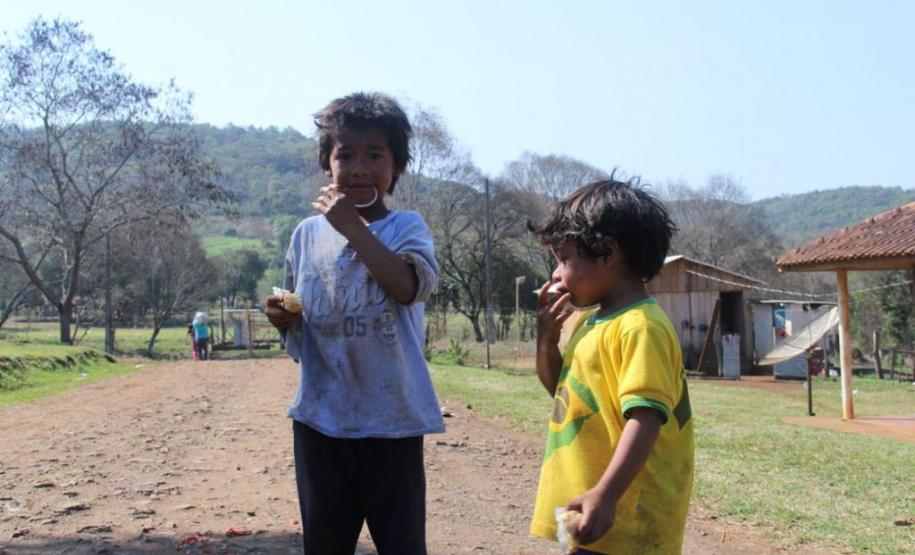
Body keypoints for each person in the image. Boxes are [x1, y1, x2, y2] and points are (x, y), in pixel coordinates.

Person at [265, 92, 443, 555]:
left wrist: (352, 228)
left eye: (375, 155)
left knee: (402, 545)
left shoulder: (408, 226)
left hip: (393, 421)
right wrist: (281, 316)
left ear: (397, 168)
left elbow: (408, 287)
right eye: (345, 154)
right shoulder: (306, 233)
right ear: (328, 164)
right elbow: (299, 309)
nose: (359, 167)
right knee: (325, 545)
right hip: (321, 419)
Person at [528, 178, 694, 554]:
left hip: (624, 512)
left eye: (564, 260)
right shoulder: (593, 321)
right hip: (592, 508)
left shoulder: (641, 327)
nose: (555, 275)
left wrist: (606, 494)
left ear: (607, 253)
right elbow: (565, 394)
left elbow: (645, 418)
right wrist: (546, 339)